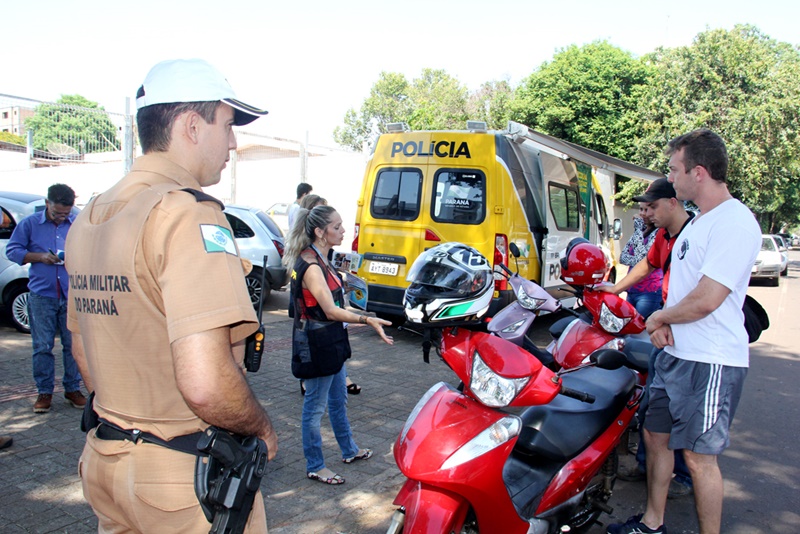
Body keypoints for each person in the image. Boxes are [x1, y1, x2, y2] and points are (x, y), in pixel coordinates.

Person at [66, 58, 277, 533]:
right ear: (191, 125)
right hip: (182, 484)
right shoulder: (188, 215)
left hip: (105, 463)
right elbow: (205, 381)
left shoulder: (91, 216)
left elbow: (83, 353)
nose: (233, 142)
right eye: (227, 125)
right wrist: (261, 429)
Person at [607, 130, 761, 534]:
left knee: (698, 459)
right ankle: (652, 523)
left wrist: (659, 319)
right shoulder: (697, 224)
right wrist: (663, 327)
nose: (670, 179)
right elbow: (680, 288)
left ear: (698, 172)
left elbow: (708, 298)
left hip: (709, 362)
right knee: (656, 439)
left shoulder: (734, 222)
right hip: (675, 356)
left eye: (675, 170)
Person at [283, 205, 393, 485]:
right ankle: (315, 465)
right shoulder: (310, 264)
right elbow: (331, 310)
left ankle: (349, 450)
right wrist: (367, 320)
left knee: (337, 401)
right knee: (315, 407)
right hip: (318, 343)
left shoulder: (322, 257)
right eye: (337, 227)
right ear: (320, 232)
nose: (343, 231)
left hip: (331, 341)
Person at [603, 178, 695, 498]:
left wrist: (665, 318)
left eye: (652, 206)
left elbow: (704, 293)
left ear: (672, 203)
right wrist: (613, 290)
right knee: (653, 405)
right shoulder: (662, 238)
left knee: (680, 414)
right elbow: (644, 264)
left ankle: (681, 476)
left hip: (690, 344)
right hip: (665, 337)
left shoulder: (695, 236)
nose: (647, 213)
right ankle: (648, 465)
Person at [6, 183, 85, 414]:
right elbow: (12, 250)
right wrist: (39, 257)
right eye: (57, 212)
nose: (61, 217)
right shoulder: (30, 224)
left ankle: (72, 389)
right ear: (47, 203)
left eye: (66, 213)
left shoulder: (77, 224)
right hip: (42, 295)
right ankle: (44, 392)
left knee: (73, 345)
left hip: (71, 294)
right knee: (42, 346)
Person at [619, 207, 663, 319]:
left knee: (639, 330)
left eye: (646, 210)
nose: (642, 214)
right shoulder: (640, 232)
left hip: (649, 292)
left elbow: (644, 259)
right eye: (640, 209)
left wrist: (638, 229)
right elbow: (622, 257)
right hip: (632, 289)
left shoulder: (659, 232)